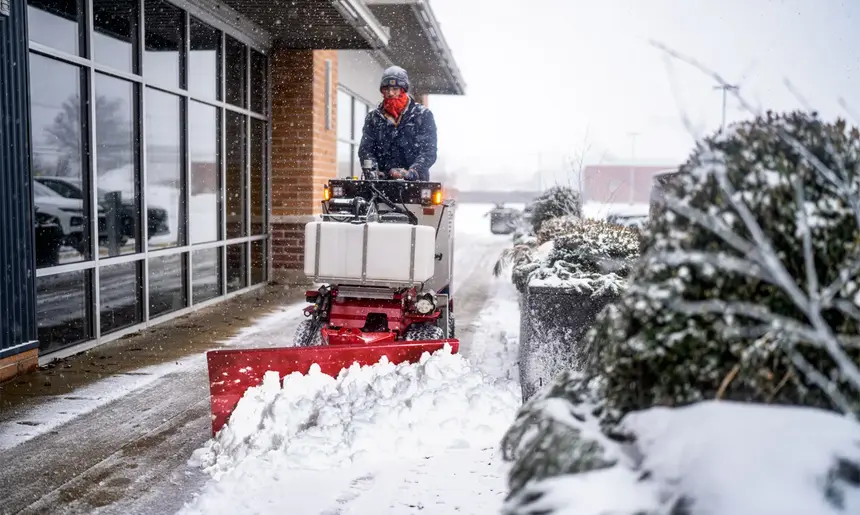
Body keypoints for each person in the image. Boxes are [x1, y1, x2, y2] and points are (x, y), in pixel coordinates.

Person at [358, 66, 437, 181]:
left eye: (395, 89)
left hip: (416, 184)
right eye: (386, 89)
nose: (390, 93)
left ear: (403, 90)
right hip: (380, 184)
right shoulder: (373, 118)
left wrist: (413, 172)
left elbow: (429, 151)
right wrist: (372, 171)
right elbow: (366, 150)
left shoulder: (423, 115)